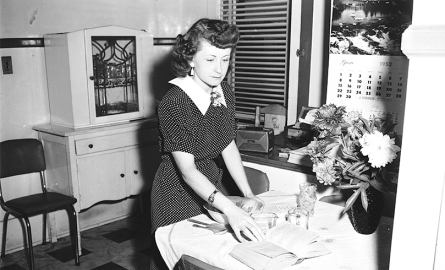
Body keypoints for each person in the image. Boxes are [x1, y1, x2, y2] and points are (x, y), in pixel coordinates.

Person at [150, 18, 265, 270]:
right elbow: (188, 171)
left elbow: (227, 145)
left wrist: (248, 194)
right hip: (177, 194)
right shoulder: (176, 102)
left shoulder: (223, 91)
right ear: (191, 59)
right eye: (210, 59)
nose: (219, 69)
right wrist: (230, 209)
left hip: (210, 185)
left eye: (225, 59)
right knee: (185, 262)